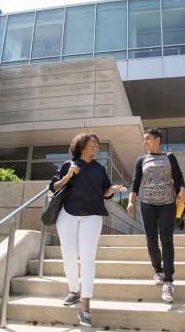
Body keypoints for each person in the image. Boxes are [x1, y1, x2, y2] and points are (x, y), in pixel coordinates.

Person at [49, 132, 126, 327]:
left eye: (98, 144)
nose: (97, 147)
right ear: (82, 145)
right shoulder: (69, 164)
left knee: (87, 257)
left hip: (92, 215)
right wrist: (68, 176)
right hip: (68, 214)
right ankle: (74, 291)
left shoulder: (99, 169)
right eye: (93, 144)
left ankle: (85, 307)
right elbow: (53, 187)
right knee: (69, 256)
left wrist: (113, 190)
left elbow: (105, 192)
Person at [127, 128, 185, 303]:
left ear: (157, 139)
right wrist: (131, 201)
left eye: (148, 139)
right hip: (147, 204)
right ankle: (157, 270)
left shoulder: (170, 157)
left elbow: (179, 177)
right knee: (151, 240)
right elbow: (135, 182)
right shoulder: (141, 160)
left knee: (167, 240)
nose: (145, 142)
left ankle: (168, 281)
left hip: (168, 203)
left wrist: (182, 190)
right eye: (144, 139)